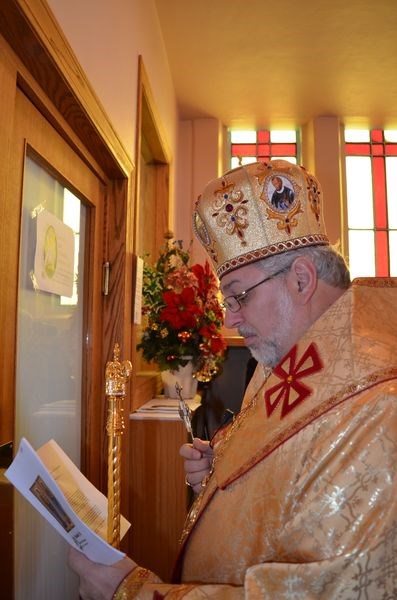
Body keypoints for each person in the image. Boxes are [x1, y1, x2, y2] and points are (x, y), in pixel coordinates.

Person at [69, 160, 397, 598]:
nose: (231, 316)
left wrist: (131, 592)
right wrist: (221, 474)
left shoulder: (379, 409)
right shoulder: (286, 356)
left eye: (239, 295)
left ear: (301, 279)